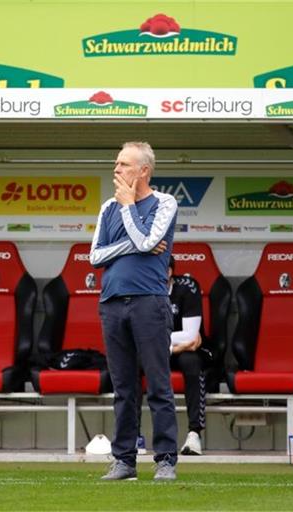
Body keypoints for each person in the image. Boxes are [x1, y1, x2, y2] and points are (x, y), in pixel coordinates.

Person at [90, 141, 179, 481]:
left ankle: (165, 460)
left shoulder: (165, 203)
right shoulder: (107, 207)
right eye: (116, 163)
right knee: (124, 388)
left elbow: (148, 244)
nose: (117, 170)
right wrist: (133, 241)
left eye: (124, 164)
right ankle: (124, 461)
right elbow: (95, 257)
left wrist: (129, 208)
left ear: (143, 170)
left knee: (158, 385)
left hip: (149, 302)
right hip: (112, 303)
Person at [137, 256, 213, 456]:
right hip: (168, 349)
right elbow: (141, 335)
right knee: (134, 364)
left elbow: (191, 336)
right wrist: (174, 346)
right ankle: (134, 435)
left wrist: (159, 341)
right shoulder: (142, 289)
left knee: (192, 362)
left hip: (188, 352)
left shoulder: (187, 287)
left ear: (168, 272)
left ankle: (194, 434)